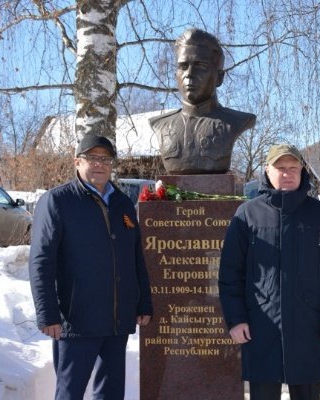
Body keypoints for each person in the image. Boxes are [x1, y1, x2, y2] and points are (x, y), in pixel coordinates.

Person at [218, 144, 320, 400]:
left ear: (302, 171)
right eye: (280, 168)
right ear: (267, 171)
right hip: (260, 328)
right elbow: (231, 274)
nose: (287, 173)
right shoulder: (247, 214)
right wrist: (236, 319)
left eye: (293, 167)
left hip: (308, 328)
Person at [29, 134, 153, 399]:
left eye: (106, 159)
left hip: (117, 320)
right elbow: (41, 262)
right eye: (92, 158)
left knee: (110, 393)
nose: (100, 164)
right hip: (77, 321)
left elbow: (135, 258)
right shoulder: (58, 201)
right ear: (77, 162)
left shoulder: (123, 204)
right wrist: (48, 313)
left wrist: (142, 303)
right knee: (70, 393)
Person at [149, 28, 256, 174]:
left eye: (201, 66)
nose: (189, 74)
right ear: (176, 74)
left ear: (219, 77)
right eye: (183, 66)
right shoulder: (160, 124)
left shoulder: (237, 122)